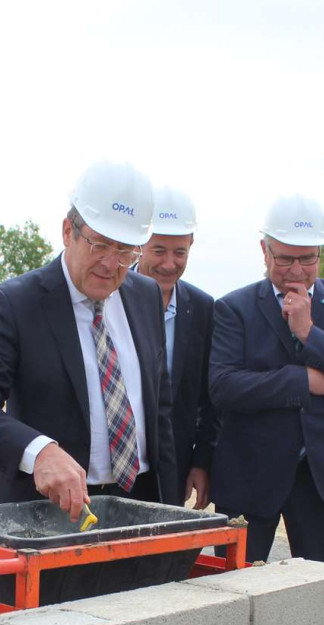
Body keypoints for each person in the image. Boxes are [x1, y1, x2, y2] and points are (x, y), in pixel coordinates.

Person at [0, 161, 178, 517]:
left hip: (140, 502)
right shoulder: (18, 303)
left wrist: (169, 506)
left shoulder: (146, 296)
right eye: (99, 244)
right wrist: (39, 452)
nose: (111, 263)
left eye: (125, 251)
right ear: (67, 231)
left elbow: (158, 409)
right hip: (50, 513)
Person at [209, 195, 324, 564]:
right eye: (285, 258)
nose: (296, 270)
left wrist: (309, 333)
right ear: (265, 250)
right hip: (251, 476)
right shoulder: (233, 309)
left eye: (307, 259)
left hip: (322, 479)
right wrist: (301, 381)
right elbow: (224, 386)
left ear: (320, 253)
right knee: (234, 589)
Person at [135, 186, 219, 509]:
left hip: (174, 470)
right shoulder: (111, 301)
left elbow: (209, 400)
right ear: (140, 243)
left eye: (180, 252)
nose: (169, 264)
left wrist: (201, 462)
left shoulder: (201, 309)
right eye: (159, 251)